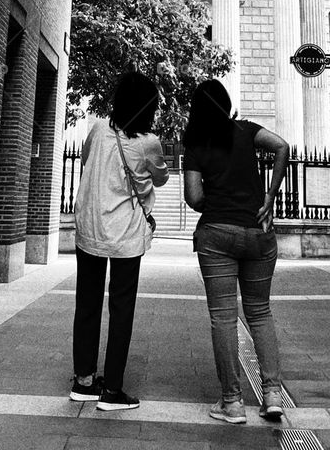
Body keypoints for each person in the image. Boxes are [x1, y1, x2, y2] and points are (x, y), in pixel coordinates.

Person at [183, 79, 289, 425]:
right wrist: (270, 196)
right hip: (259, 234)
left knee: (224, 318)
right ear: (226, 103)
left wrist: (215, 198)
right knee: (260, 313)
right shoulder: (247, 131)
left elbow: (194, 197)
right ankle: (272, 394)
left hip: (217, 235)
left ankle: (232, 402)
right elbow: (282, 146)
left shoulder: (197, 143)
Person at [70, 71, 168, 412]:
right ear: (148, 107)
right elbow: (162, 177)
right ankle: (112, 390)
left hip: (90, 229)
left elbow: (84, 160)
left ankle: (83, 382)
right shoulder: (148, 143)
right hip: (125, 234)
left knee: (87, 304)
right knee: (121, 309)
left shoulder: (97, 129)